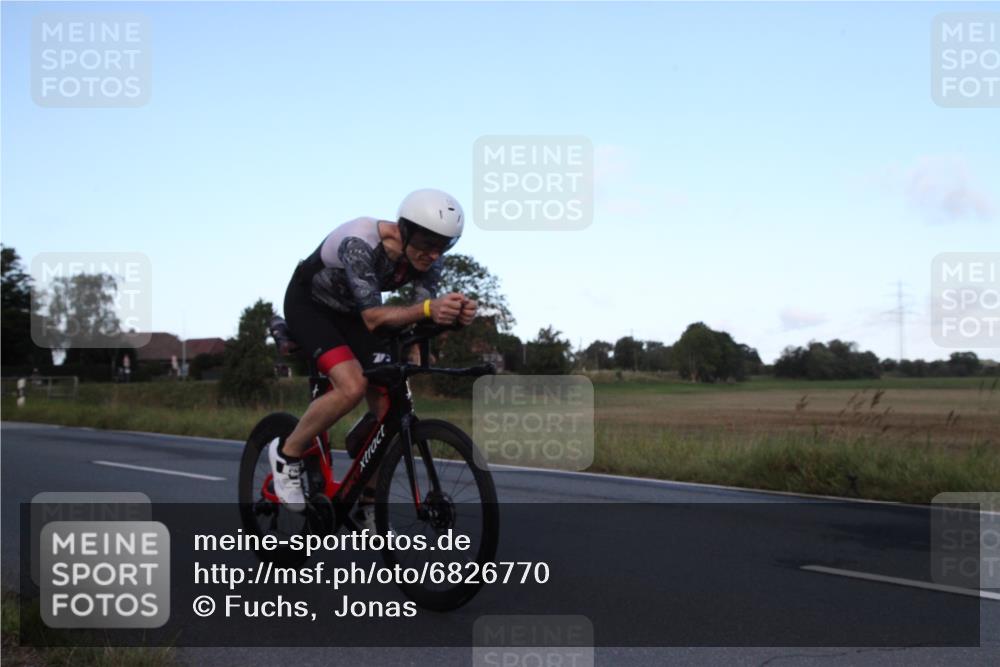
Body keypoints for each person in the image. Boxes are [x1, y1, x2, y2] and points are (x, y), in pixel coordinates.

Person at [269, 189, 478, 530]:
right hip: (311, 306)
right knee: (352, 386)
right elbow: (375, 319)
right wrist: (428, 308)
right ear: (404, 229)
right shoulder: (359, 241)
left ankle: (365, 502)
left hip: (353, 313)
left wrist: (453, 318)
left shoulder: (430, 260)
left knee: (390, 409)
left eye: (444, 245)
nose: (433, 254)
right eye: (427, 242)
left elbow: (420, 317)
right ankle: (287, 453)